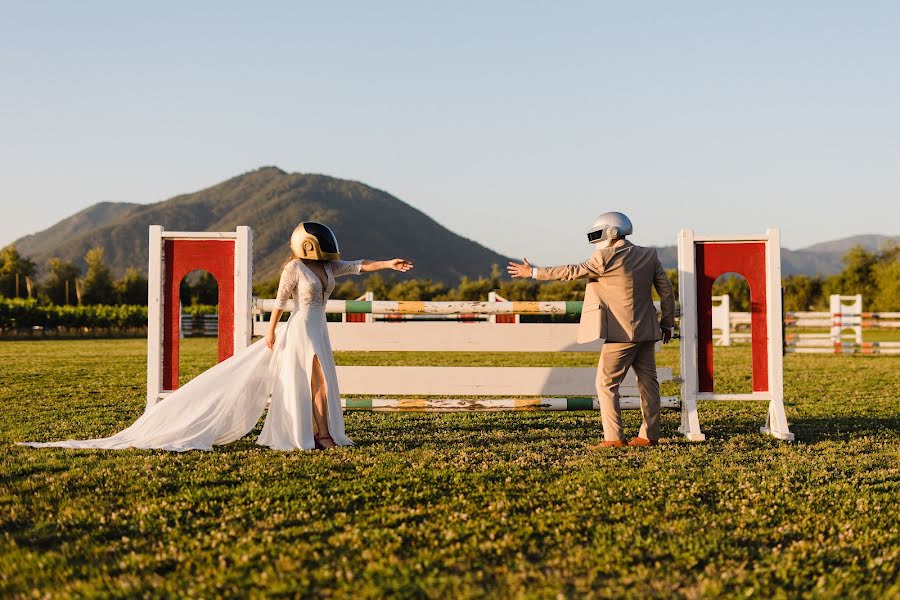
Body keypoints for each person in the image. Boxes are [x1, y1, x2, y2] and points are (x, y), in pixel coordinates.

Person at [20, 222, 412, 451]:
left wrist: (389, 263)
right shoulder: (294, 268)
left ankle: (324, 430)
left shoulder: (328, 269)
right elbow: (279, 302)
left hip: (318, 330)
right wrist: (272, 333)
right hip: (297, 330)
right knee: (309, 381)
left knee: (324, 382)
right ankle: (315, 434)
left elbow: (359, 265)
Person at [507, 212, 674, 448]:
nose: (595, 239)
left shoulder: (605, 256)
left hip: (621, 334)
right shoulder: (649, 255)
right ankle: (649, 435)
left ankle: (614, 438)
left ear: (611, 232)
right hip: (648, 331)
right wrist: (667, 322)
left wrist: (533, 272)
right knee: (649, 384)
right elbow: (666, 291)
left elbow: (572, 271)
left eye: (598, 233)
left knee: (605, 384)